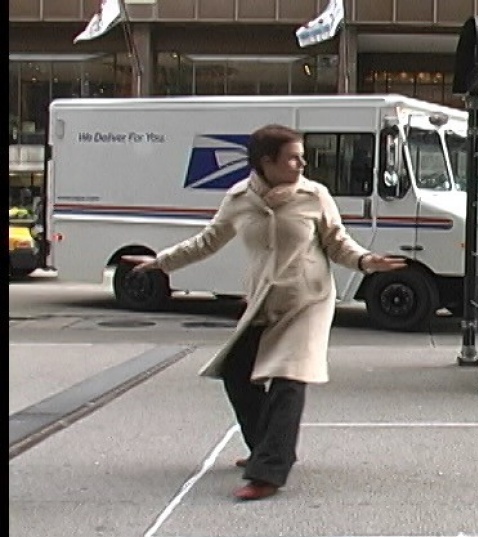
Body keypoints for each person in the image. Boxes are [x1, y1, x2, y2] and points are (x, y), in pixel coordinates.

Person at [122, 124, 407, 501]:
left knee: (290, 378)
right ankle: (267, 447)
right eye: (293, 156)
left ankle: (268, 472)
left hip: (308, 298)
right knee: (237, 373)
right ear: (265, 162)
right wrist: (160, 262)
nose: (303, 162)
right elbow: (208, 240)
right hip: (263, 300)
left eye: (302, 155)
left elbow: (337, 243)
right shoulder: (239, 198)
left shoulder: (314, 195)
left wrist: (367, 261)